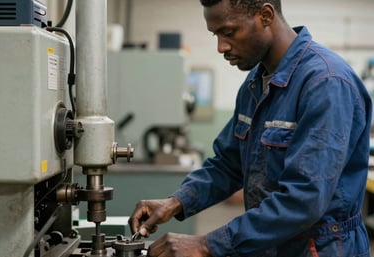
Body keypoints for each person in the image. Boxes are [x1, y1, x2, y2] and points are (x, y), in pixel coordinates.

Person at [129, 0, 373, 256]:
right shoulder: (255, 83)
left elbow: (304, 201)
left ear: (265, 15)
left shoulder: (325, 83)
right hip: (268, 242)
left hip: (319, 248)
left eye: (229, 32)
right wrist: (177, 201)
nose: (221, 47)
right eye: (216, 35)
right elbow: (229, 163)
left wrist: (206, 244)